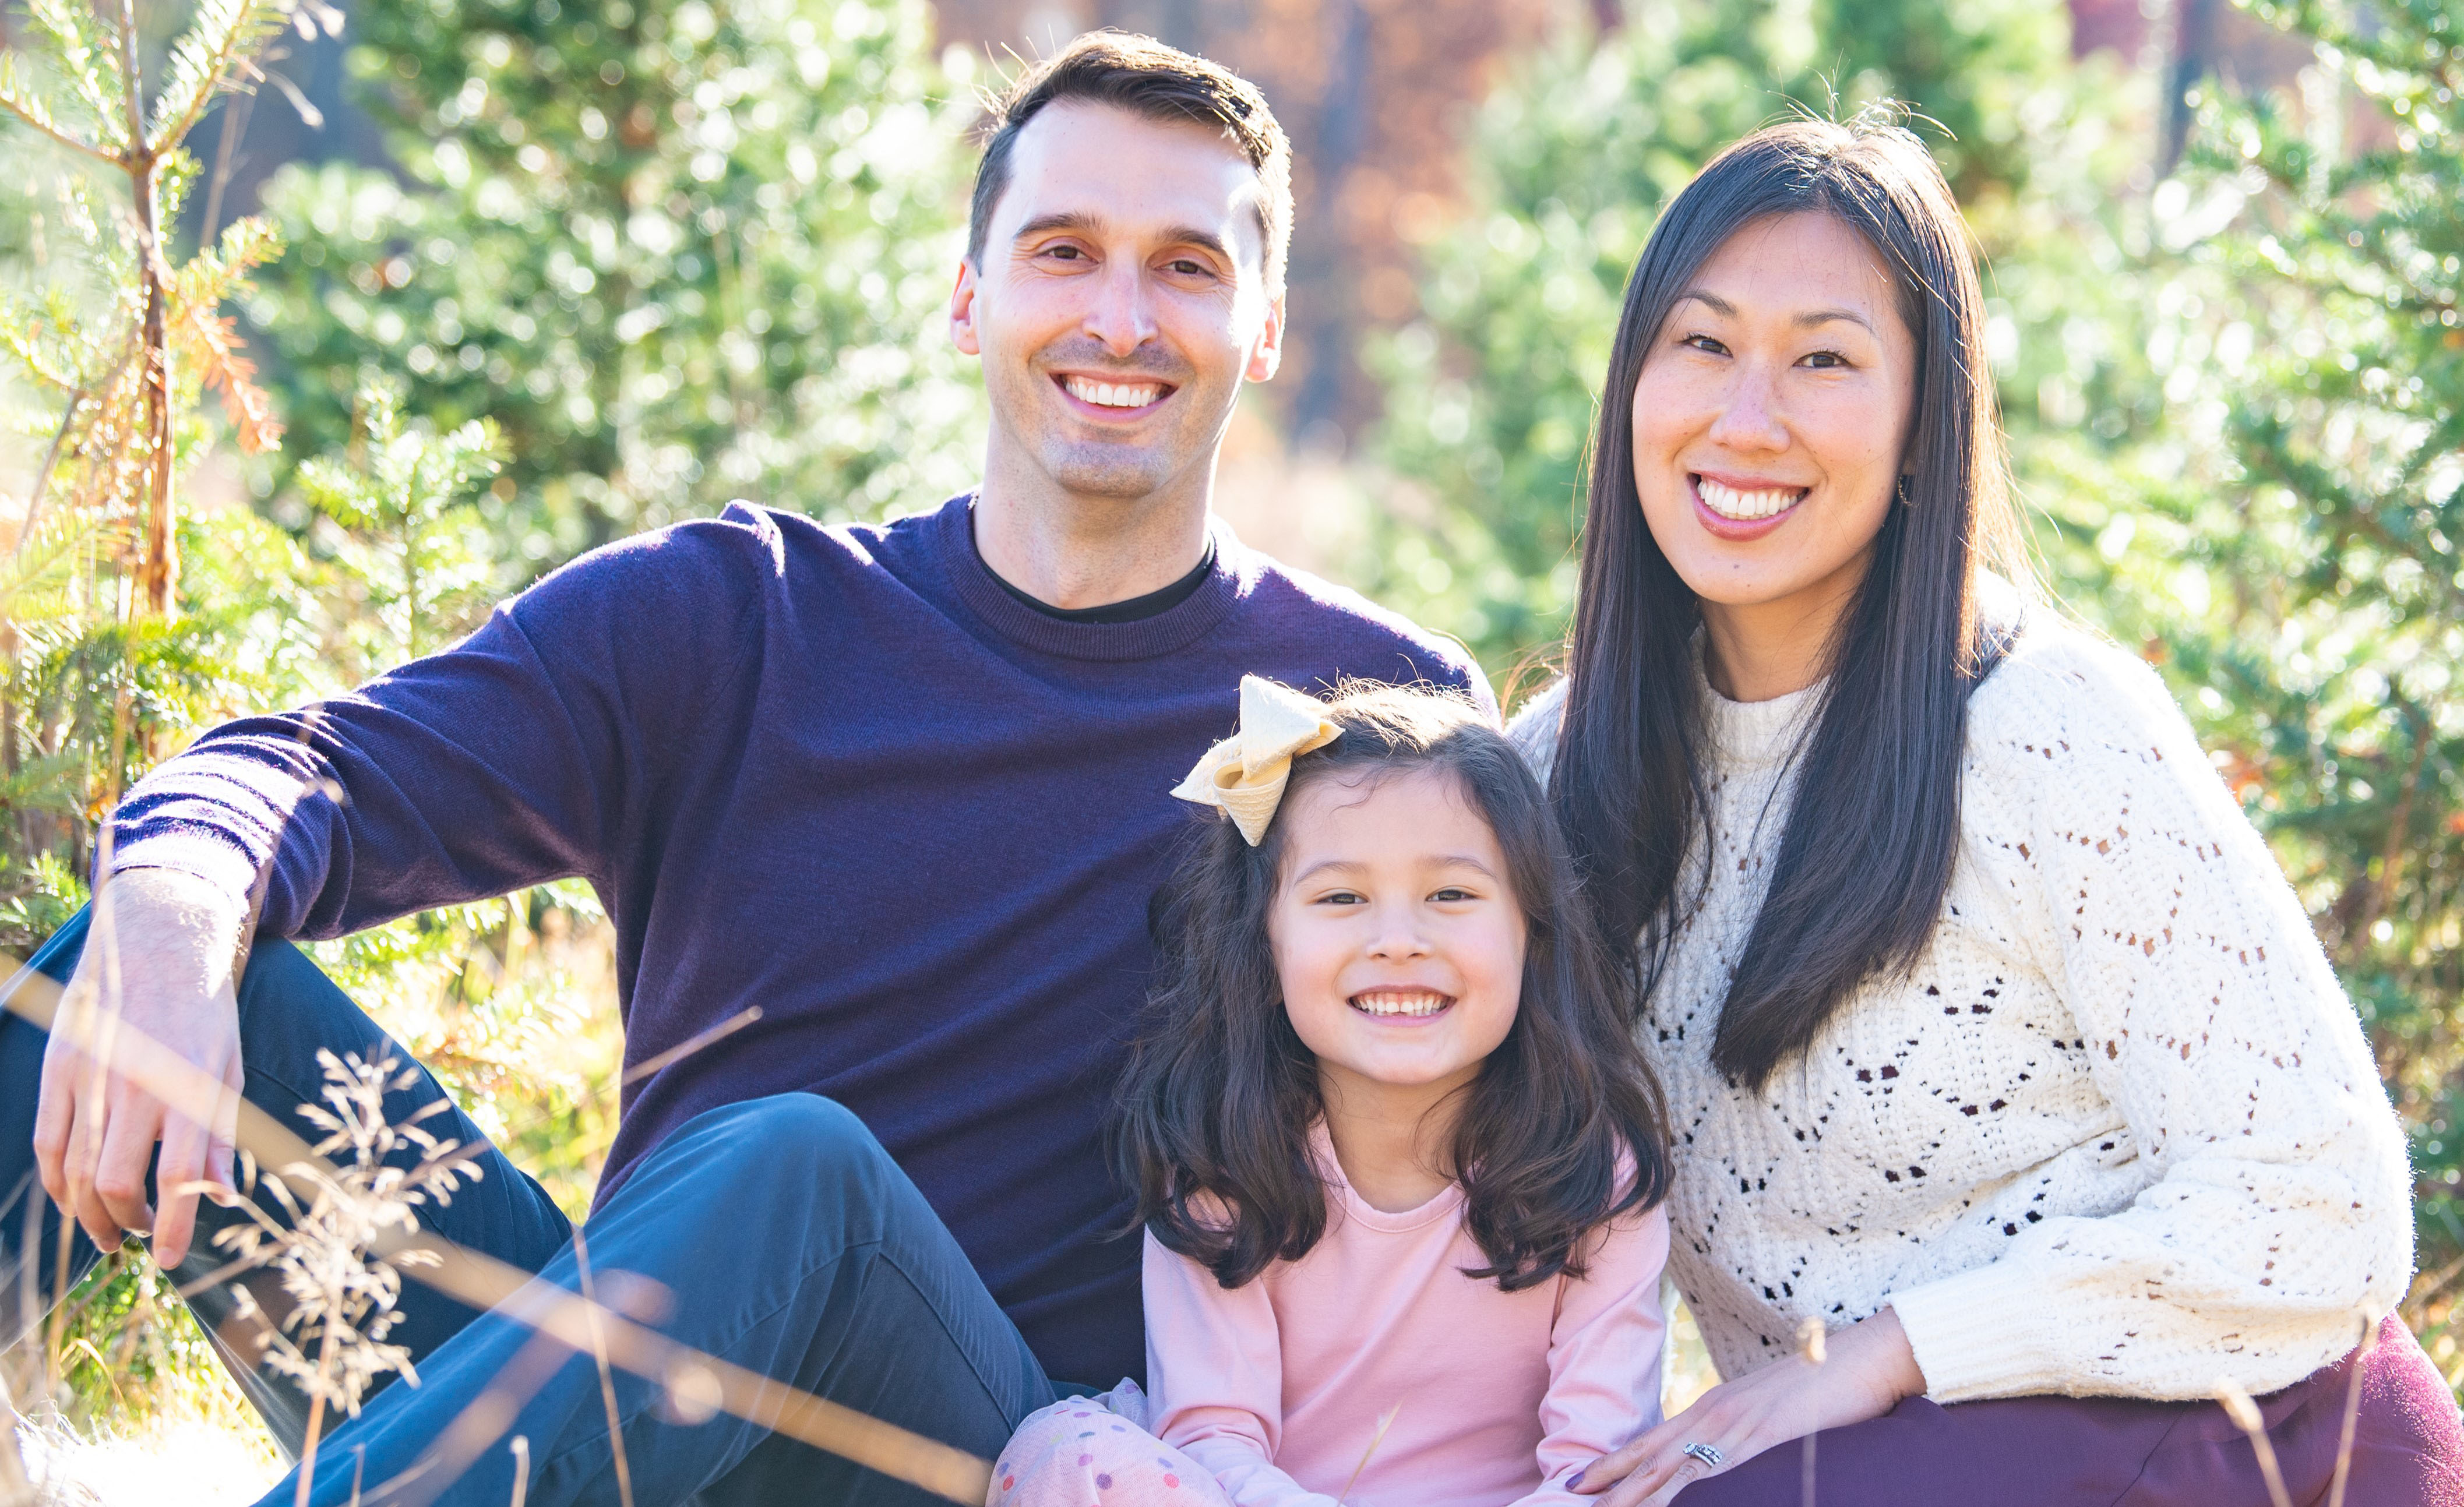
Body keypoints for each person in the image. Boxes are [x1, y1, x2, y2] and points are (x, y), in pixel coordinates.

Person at [0, 31, 1487, 1506]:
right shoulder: (733, 615)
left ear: (1267, 325)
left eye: (1187, 266)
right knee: (130, 966)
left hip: (999, 1460)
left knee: (802, 1175)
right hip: (614, 1411)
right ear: (971, 302)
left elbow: (1502, 1160)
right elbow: (317, 768)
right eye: (1063, 250)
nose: (1120, 315)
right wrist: (178, 898)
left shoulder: (1368, 713)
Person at [1508, 116, 2463, 1506]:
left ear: (1921, 428)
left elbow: (2323, 1201)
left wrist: (1894, 1352)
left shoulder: (2047, 729)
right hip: (1870, 1460)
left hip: (2238, 1417)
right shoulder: (1552, 778)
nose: (1746, 415)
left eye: (1826, 358)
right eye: (1702, 344)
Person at [992, 677, 1672, 1507]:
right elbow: (1213, 1439)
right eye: (1341, 898)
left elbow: (1599, 1464)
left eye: (1450, 895)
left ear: (1532, 933)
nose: (1396, 941)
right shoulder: (1225, 1165)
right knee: (1067, 1447)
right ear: (1264, 947)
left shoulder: (1595, 1175)